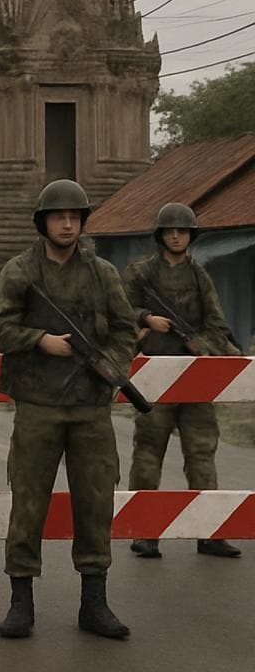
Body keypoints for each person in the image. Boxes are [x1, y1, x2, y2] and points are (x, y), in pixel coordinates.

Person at [0, 179, 136, 640]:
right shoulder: (20, 270)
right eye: (58, 216)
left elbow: (126, 330)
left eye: (75, 216)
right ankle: (21, 602)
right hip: (38, 405)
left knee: (96, 503)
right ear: (43, 222)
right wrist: (40, 341)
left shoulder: (102, 273)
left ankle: (94, 602)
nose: (67, 223)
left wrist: (110, 366)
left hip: (90, 407)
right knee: (28, 504)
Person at [122, 203, 242, 560]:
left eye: (183, 230)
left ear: (191, 235)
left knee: (202, 452)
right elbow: (117, 312)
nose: (176, 235)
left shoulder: (199, 276)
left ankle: (210, 532)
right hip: (156, 373)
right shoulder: (140, 273)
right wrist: (146, 318)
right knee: (148, 452)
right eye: (170, 230)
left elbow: (218, 325)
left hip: (195, 376)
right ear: (161, 235)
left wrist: (199, 345)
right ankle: (144, 532)